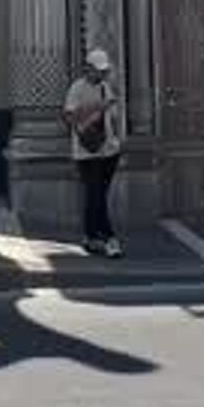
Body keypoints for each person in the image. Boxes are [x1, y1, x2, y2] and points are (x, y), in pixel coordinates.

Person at [63, 47, 124, 257]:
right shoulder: (77, 88)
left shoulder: (106, 87)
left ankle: (89, 236)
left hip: (109, 150)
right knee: (96, 195)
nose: (102, 74)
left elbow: (113, 117)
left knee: (97, 196)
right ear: (88, 68)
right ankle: (110, 239)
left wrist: (117, 139)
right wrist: (98, 107)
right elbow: (69, 116)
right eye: (99, 70)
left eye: (104, 71)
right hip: (86, 152)